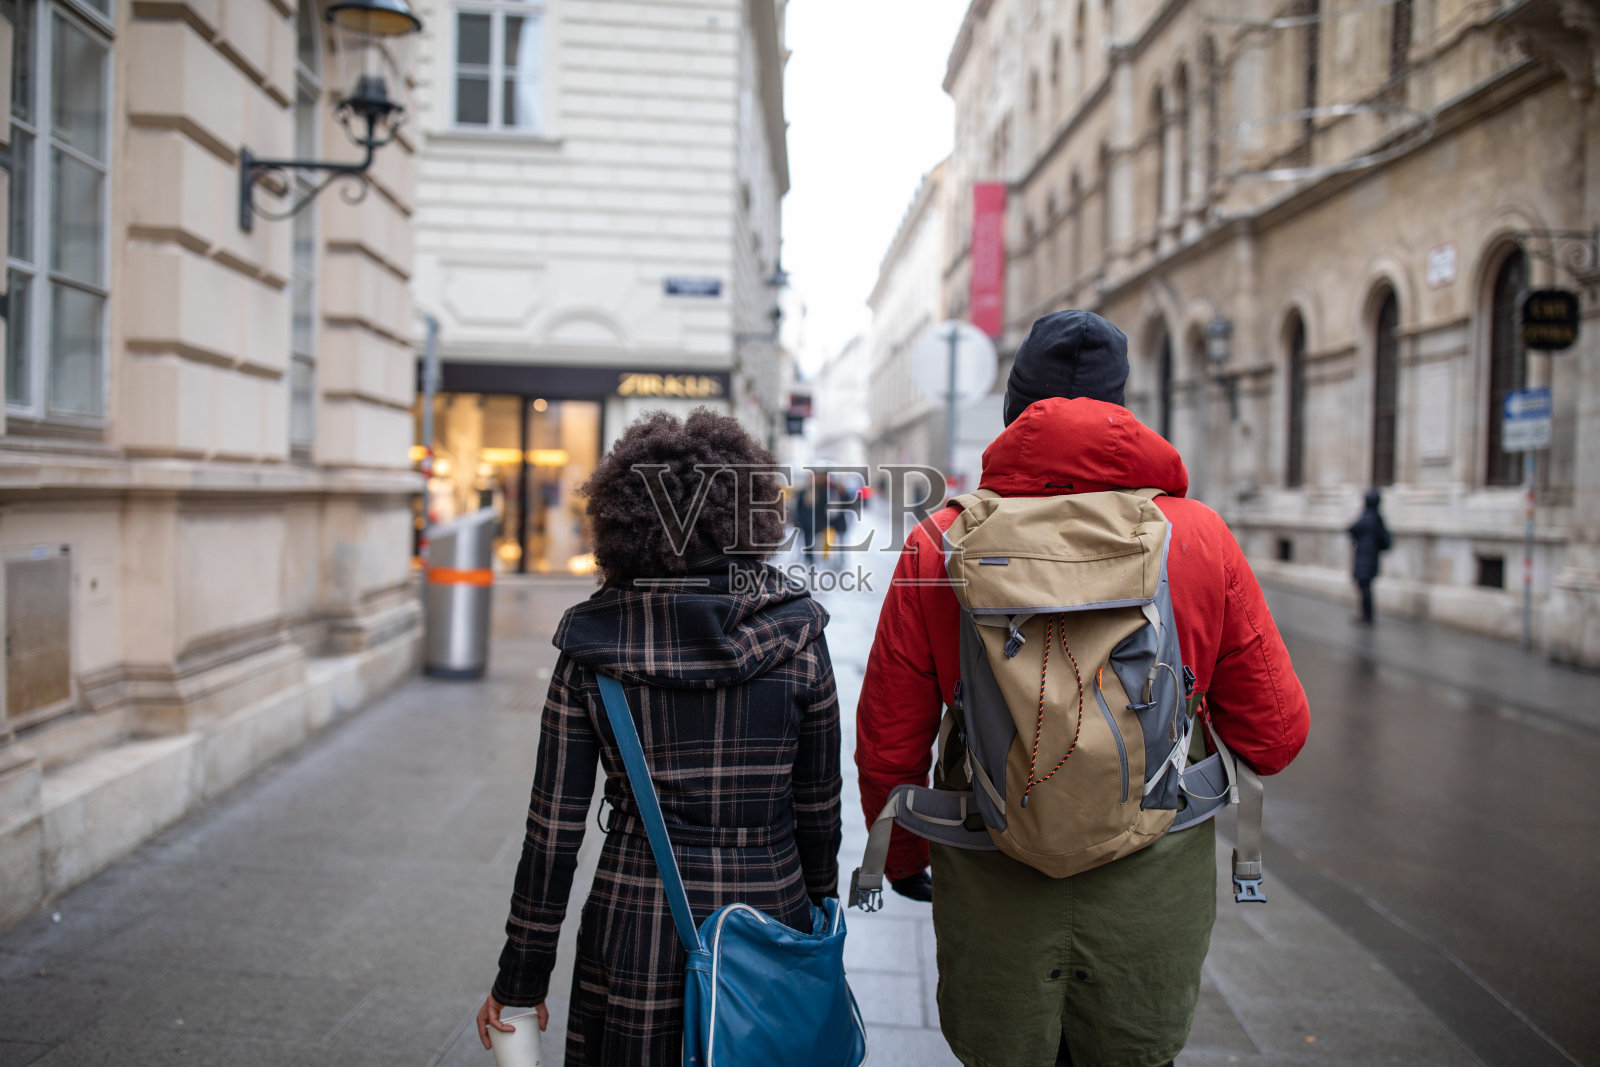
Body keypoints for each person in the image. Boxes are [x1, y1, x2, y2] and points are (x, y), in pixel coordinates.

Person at [856, 310, 1311, 1067]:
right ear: (1122, 410)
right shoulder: (1199, 536)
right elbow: (1276, 735)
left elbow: (888, 741)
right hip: (1150, 887)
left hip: (992, 871)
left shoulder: (937, 544)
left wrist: (902, 855)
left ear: (1013, 410)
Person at [476, 408, 843, 1065]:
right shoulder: (797, 634)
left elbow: (552, 834)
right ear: (749, 513)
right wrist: (818, 911)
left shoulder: (592, 645)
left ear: (622, 521)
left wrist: (520, 980)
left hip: (636, 914)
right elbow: (819, 807)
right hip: (769, 907)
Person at [1348, 489, 1392, 624]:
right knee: (1366, 587)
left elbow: (1352, 529)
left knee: (1364, 587)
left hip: (1363, 558)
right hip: (1372, 559)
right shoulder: (1378, 519)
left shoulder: (1367, 517)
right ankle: (1367, 614)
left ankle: (1366, 615)